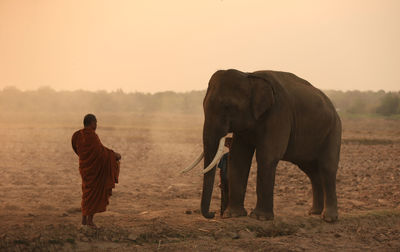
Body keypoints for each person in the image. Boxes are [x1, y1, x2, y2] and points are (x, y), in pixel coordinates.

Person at [71, 114, 121, 228]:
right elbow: (101, 152)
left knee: (86, 193)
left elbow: (76, 148)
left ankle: (84, 220)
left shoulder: (77, 135)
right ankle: (89, 221)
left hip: (85, 168)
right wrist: (114, 155)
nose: (96, 125)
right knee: (94, 192)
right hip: (94, 171)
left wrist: (85, 159)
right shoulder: (92, 136)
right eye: (96, 123)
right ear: (92, 122)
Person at [217, 137, 232, 216]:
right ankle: (223, 213)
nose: (230, 146)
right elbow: (221, 170)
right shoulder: (225, 156)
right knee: (224, 197)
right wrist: (220, 181)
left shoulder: (236, 157)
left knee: (230, 197)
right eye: (228, 144)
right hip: (225, 179)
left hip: (232, 180)